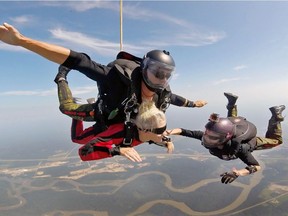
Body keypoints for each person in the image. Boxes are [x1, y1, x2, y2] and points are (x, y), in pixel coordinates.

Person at [0, 23, 207, 133]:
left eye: (166, 76)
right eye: (157, 73)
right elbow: (79, 60)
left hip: (122, 118)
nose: (160, 80)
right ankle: (60, 79)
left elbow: (176, 99)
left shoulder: (162, 91)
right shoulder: (116, 79)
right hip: (102, 112)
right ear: (144, 69)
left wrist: (195, 104)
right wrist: (22, 42)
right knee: (66, 108)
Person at [167, 92, 285, 184]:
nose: (208, 138)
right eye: (208, 134)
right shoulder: (211, 135)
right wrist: (167, 132)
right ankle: (232, 103)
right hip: (232, 131)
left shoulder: (240, 149)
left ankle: (276, 115)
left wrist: (239, 173)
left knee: (276, 141)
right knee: (227, 125)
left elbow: (256, 166)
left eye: (212, 137)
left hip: (250, 140)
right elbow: (183, 131)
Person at [71, 100, 174, 162]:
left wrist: (166, 142)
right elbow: (83, 153)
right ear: (144, 130)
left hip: (117, 131)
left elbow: (151, 138)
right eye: (160, 130)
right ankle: (78, 111)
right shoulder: (118, 134)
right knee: (76, 138)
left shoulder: (144, 133)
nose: (165, 133)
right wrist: (117, 151)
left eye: (164, 128)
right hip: (104, 130)